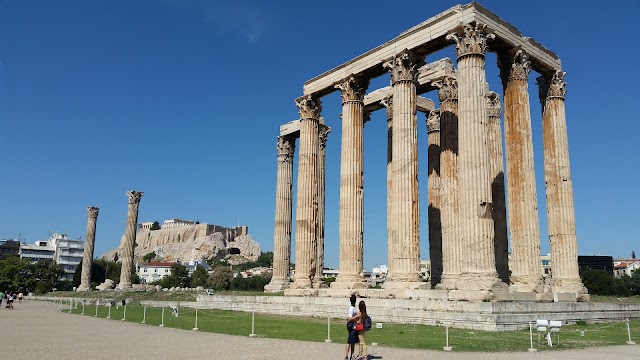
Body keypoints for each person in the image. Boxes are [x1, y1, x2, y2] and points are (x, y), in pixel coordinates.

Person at [344, 294, 358, 360]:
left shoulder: (353, 308)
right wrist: (356, 318)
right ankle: (347, 355)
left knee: (352, 341)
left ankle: (352, 354)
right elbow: (349, 318)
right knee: (350, 341)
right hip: (352, 326)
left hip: (353, 326)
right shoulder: (352, 308)